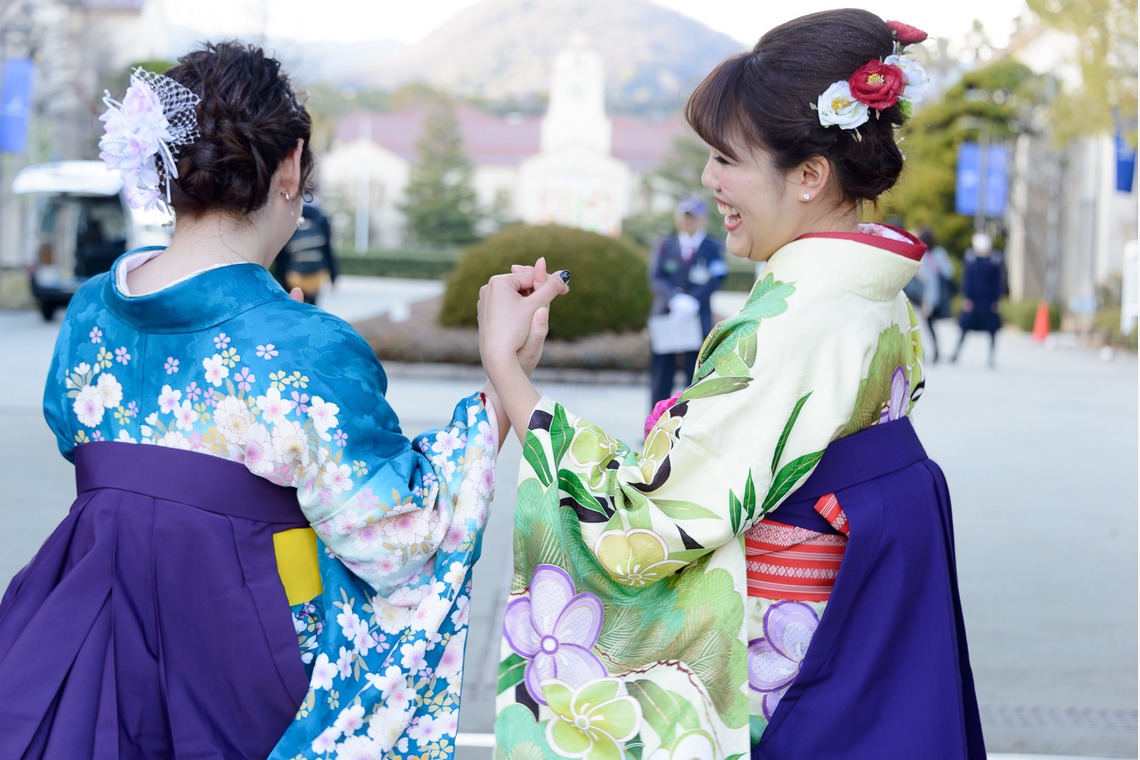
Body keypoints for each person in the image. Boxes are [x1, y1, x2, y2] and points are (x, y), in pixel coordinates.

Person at [0, 41, 566, 760]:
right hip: (230, 659)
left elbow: (97, 451)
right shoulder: (305, 348)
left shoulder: (89, 313)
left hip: (85, 632)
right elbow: (400, 537)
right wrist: (503, 375)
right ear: (291, 166)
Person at [479, 10, 984, 759]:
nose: (708, 181)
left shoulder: (792, 323)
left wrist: (507, 371)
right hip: (852, 630)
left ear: (809, 176)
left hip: (789, 658)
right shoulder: (875, 290)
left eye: (727, 159)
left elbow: (641, 529)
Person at [647, 195, 728, 408]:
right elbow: (656, 277)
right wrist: (674, 298)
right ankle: (656, 420)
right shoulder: (665, 244)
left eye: (693, 217)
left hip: (697, 316)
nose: (688, 221)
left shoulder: (713, 247)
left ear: (703, 220)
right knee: (661, 373)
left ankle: (690, 420)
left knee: (695, 372)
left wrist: (693, 300)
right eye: (685, 216)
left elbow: (717, 277)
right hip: (667, 315)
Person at [951, 231, 1005, 368]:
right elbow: (967, 280)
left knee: (992, 330)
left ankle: (991, 357)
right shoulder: (971, 260)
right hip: (973, 301)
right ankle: (956, 354)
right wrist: (966, 298)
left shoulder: (994, 261)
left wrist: (996, 300)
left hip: (988, 301)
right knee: (964, 328)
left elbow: (997, 283)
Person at [274, 197, 338, 305]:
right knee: (312, 307)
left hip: (294, 275)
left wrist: (281, 275)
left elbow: (282, 253)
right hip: (315, 275)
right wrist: (333, 277)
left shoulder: (291, 217)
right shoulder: (320, 219)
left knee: (295, 306)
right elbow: (328, 252)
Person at [906, 227, 956, 363]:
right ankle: (932, 352)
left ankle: (923, 352)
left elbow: (922, 279)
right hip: (933, 297)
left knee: (920, 326)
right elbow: (948, 272)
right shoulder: (939, 254)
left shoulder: (921, 255)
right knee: (928, 326)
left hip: (920, 298)